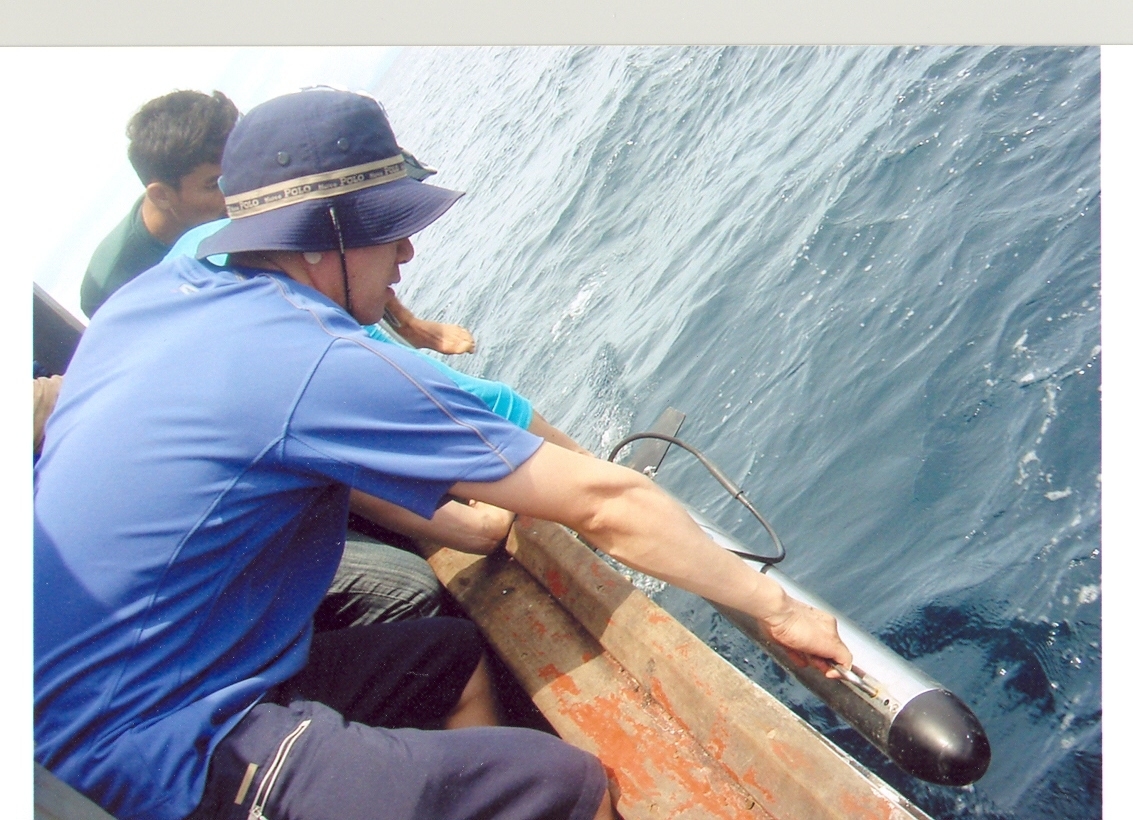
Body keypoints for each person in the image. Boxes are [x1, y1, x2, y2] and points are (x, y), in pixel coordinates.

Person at [35, 88, 851, 820]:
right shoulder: (308, 362)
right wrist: (777, 610)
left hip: (68, 704)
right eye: (386, 229)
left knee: (450, 659)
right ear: (319, 240)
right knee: (561, 784)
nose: (407, 254)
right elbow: (605, 503)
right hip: (141, 761)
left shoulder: (159, 291)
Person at [79, 88, 475, 355]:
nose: (238, 195)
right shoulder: (112, 283)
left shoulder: (234, 197)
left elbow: (345, 251)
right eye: (214, 184)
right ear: (162, 196)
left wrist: (409, 325)